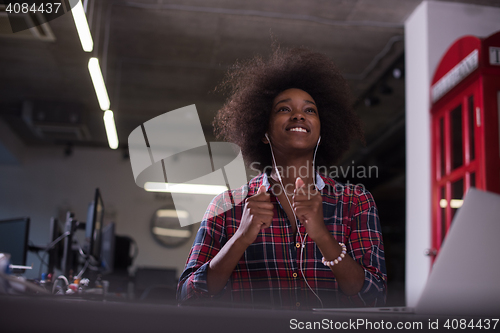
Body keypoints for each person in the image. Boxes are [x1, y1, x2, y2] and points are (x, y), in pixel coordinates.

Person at [177, 46, 387, 310]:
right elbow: (188, 297)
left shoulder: (355, 202)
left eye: (310, 110)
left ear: (322, 132)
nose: (298, 115)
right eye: (283, 109)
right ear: (263, 132)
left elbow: (375, 295)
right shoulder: (227, 205)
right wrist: (241, 237)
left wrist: (323, 236)